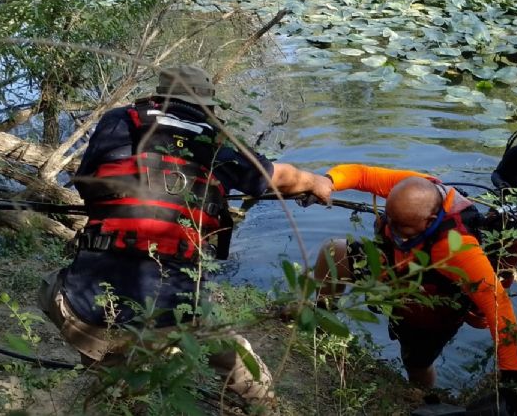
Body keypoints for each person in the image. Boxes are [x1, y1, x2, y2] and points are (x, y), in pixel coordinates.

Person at [38, 64, 334, 407]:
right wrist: (316, 182)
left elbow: (91, 191)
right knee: (242, 368)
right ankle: (261, 405)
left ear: (158, 95)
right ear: (207, 106)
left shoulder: (117, 121)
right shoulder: (217, 142)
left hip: (84, 311)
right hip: (176, 312)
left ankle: (115, 385)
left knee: (54, 292)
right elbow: (276, 177)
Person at [310, 164, 517, 415]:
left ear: (430, 221)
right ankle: (320, 322)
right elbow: (362, 174)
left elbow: (495, 299)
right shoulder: (410, 187)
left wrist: (511, 365)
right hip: (392, 269)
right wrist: (326, 181)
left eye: (404, 230)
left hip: (431, 303)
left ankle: (422, 400)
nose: (395, 232)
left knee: (416, 364)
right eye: (392, 223)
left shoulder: (457, 247)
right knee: (334, 252)